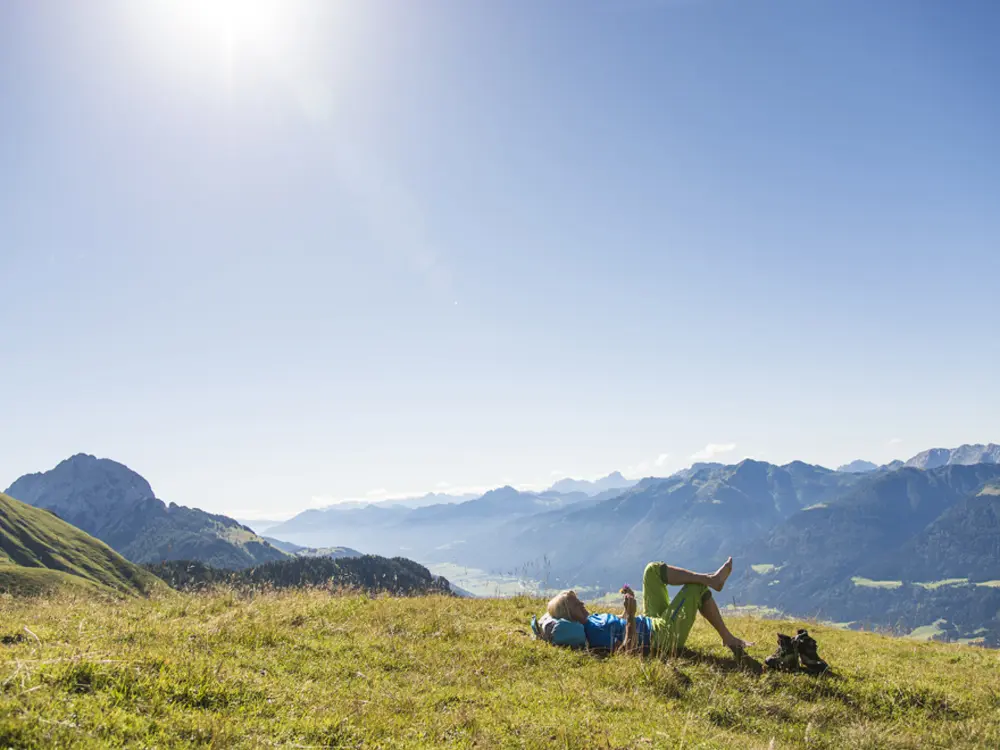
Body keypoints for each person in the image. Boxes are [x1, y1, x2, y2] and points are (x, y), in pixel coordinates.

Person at [546, 557, 753, 660]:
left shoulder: (593, 619)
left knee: (651, 570)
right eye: (576, 604)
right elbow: (628, 651)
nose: (582, 603)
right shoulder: (593, 633)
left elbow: (620, 622)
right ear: (569, 615)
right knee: (695, 588)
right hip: (661, 636)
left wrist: (627, 609)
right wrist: (631, 617)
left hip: (649, 621)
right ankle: (726, 634)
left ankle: (712, 580)